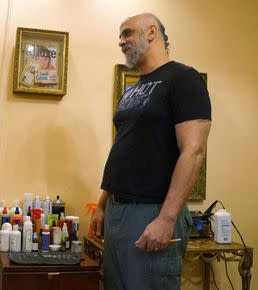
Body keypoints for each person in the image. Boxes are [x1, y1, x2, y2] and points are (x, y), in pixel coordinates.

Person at [90, 13, 211, 289]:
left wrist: (166, 219)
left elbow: (194, 151)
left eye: (127, 33)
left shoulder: (183, 78)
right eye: (120, 36)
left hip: (152, 213)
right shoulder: (132, 91)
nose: (121, 42)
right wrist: (101, 205)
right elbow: (126, 149)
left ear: (152, 32)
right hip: (118, 212)